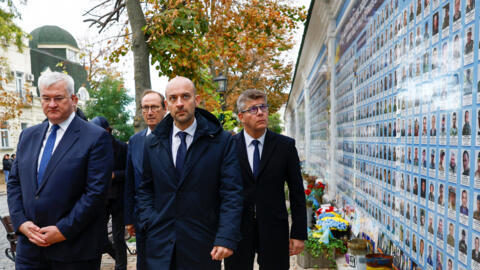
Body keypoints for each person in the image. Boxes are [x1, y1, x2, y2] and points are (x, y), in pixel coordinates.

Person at [7, 71, 113, 269]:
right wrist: (21, 222)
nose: (52, 104)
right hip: (30, 251)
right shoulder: (28, 136)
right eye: (46, 98)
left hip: (74, 251)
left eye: (58, 98)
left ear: (73, 99)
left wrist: (63, 230)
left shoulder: (96, 138)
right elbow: (14, 183)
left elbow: (95, 194)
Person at [137, 76, 243, 269]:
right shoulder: (152, 142)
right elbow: (145, 188)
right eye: (173, 98)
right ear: (167, 103)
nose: (179, 103)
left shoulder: (221, 142)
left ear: (197, 99)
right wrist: (150, 221)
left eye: (185, 96)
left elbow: (232, 193)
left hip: (203, 244)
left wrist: (226, 235)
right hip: (161, 245)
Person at [225, 89, 307, 270]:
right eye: (253, 109)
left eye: (263, 107)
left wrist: (299, 233)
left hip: (274, 228)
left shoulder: (285, 146)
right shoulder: (228, 147)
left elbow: (297, 192)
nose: (260, 112)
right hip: (237, 229)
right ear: (241, 116)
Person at [124, 90, 166, 269]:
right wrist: (129, 218)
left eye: (154, 107)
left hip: (168, 216)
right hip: (142, 218)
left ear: (164, 109)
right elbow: (130, 181)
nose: (150, 112)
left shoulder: (175, 138)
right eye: (145, 108)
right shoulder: (135, 141)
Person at [91, 116, 127, 270]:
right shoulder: (92, 148)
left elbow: (130, 173)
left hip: (118, 197)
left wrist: (114, 175)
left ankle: (121, 266)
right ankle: (113, 258)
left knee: (119, 236)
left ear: (108, 130)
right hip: (101, 198)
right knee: (98, 235)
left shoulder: (122, 147)